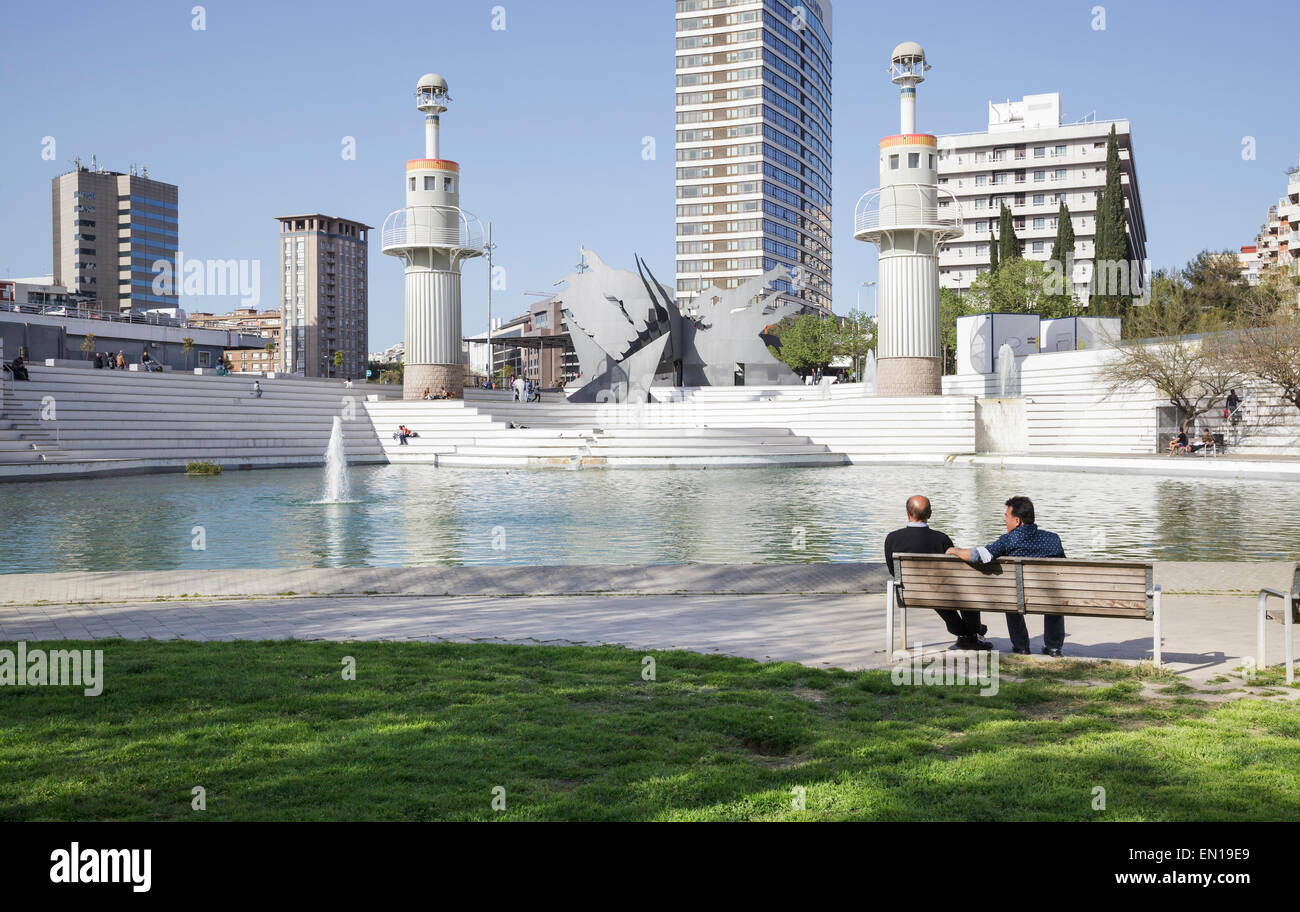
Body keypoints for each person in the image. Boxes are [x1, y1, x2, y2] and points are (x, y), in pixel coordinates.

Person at [946, 496, 1067, 657]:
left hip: (1018, 598)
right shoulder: (1053, 539)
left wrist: (955, 550)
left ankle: (1021, 646)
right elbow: (1064, 568)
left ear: (1017, 521)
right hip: (1048, 596)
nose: (1004, 519)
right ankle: (1053, 648)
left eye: (1006, 516)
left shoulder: (1009, 540)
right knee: (1053, 598)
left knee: (1013, 598)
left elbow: (979, 556)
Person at [884, 495, 991, 651]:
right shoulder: (941, 539)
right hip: (939, 593)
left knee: (939, 593)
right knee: (966, 590)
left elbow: (893, 570)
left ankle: (967, 635)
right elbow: (953, 571)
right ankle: (971, 633)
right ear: (930, 514)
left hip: (909, 593)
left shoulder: (892, 539)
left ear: (907, 513)